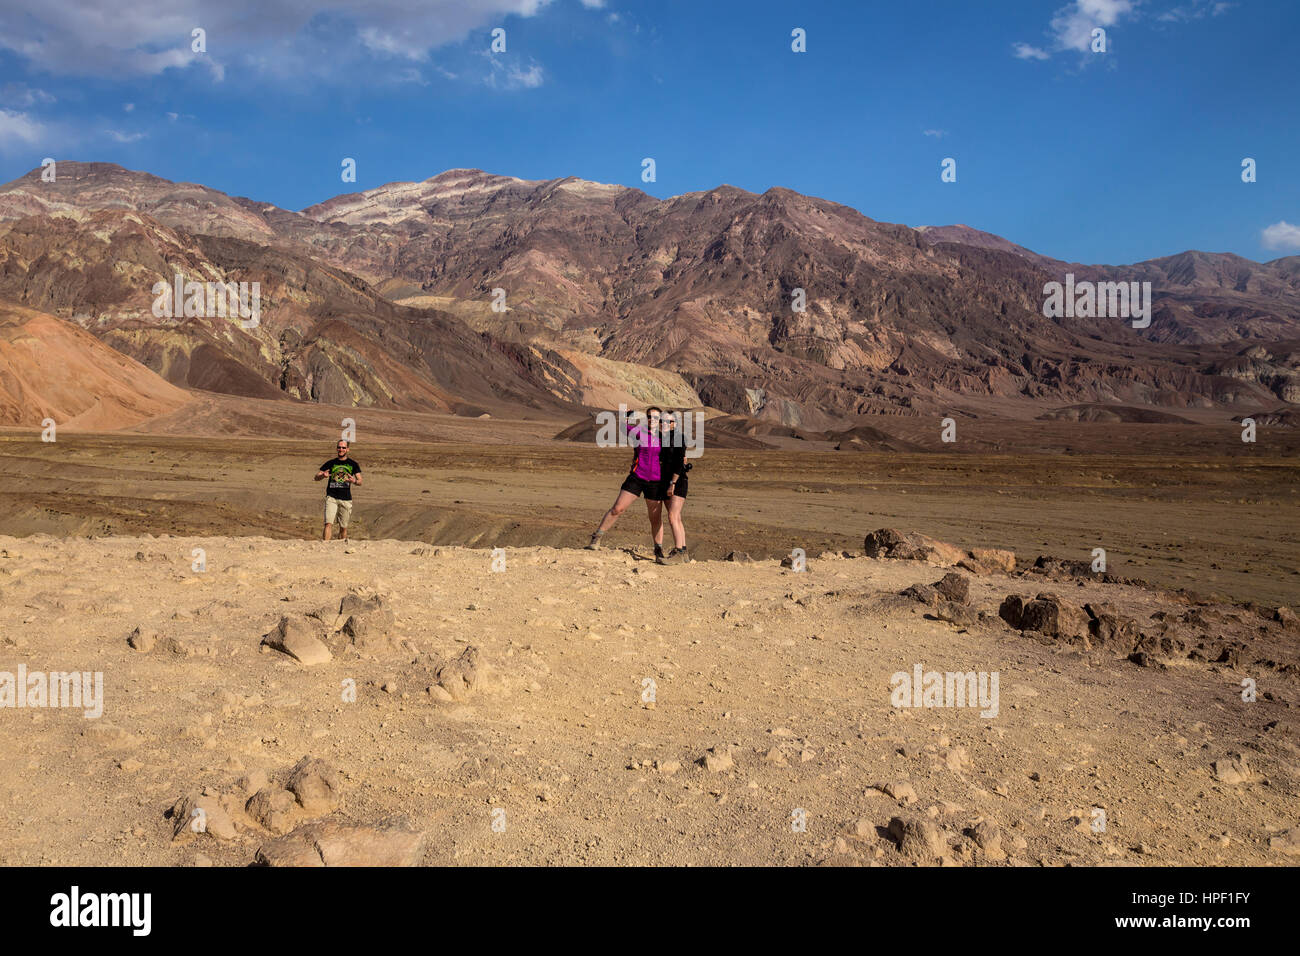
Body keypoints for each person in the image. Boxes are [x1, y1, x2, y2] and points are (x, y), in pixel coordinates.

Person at [586, 407, 665, 553]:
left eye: (655, 417)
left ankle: (658, 549)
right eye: (649, 417)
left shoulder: (664, 438)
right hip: (637, 476)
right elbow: (624, 428)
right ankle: (596, 537)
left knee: (655, 517)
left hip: (656, 481)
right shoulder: (640, 432)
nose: (651, 420)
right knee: (617, 509)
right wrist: (625, 416)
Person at [655, 409, 691, 564]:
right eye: (662, 421)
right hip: (664, 481)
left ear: (674, 424)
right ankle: (683, 551)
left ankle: (678, 553)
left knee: (672, 516)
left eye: (668, 421)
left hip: (677, 481)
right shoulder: (659, 438)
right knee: (676, 517)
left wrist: (673, 483)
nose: (664, 424)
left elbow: (679, 463)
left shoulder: (677, 437)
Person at [314, 440, 362, 541]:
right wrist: (323, 475)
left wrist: (354, 481)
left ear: (347, 449)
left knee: (343, 527)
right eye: (339, 447)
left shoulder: (353, 464)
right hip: (332, 497)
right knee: (328, 523)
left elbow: (360, 481)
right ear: (337, 448)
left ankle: (340, 548)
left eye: (343, 448)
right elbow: (316, 477)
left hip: (346, 499)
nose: (341, 449)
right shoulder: (331, 463)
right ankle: (325, 546)